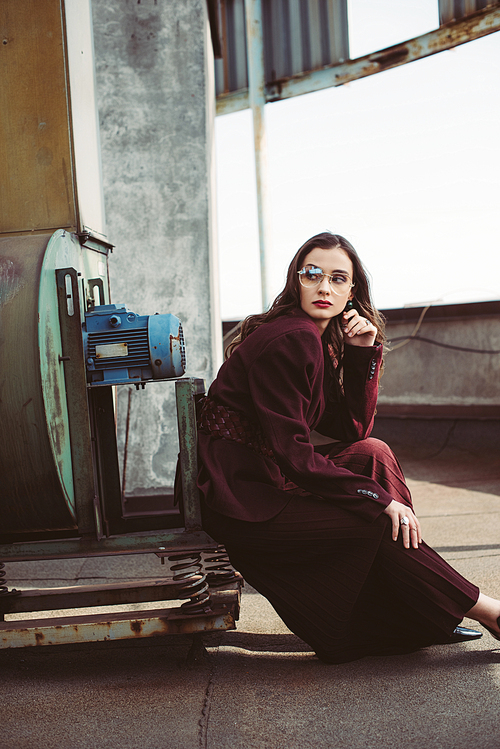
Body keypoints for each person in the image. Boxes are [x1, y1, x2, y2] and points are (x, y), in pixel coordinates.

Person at [197, 231, 500, 663]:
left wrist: (362, 353)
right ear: (295, 280)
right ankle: (486, 610)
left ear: (351, 291)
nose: (325, 287)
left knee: (372, 452)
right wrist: (379, 502)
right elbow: (295, 454)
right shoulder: (292, 338)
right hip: (242, 499)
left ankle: (424, 601)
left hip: (261, 477)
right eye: (313, 275)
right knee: (377, 519)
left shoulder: (316, 338)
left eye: (338, 279)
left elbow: (353, 429)